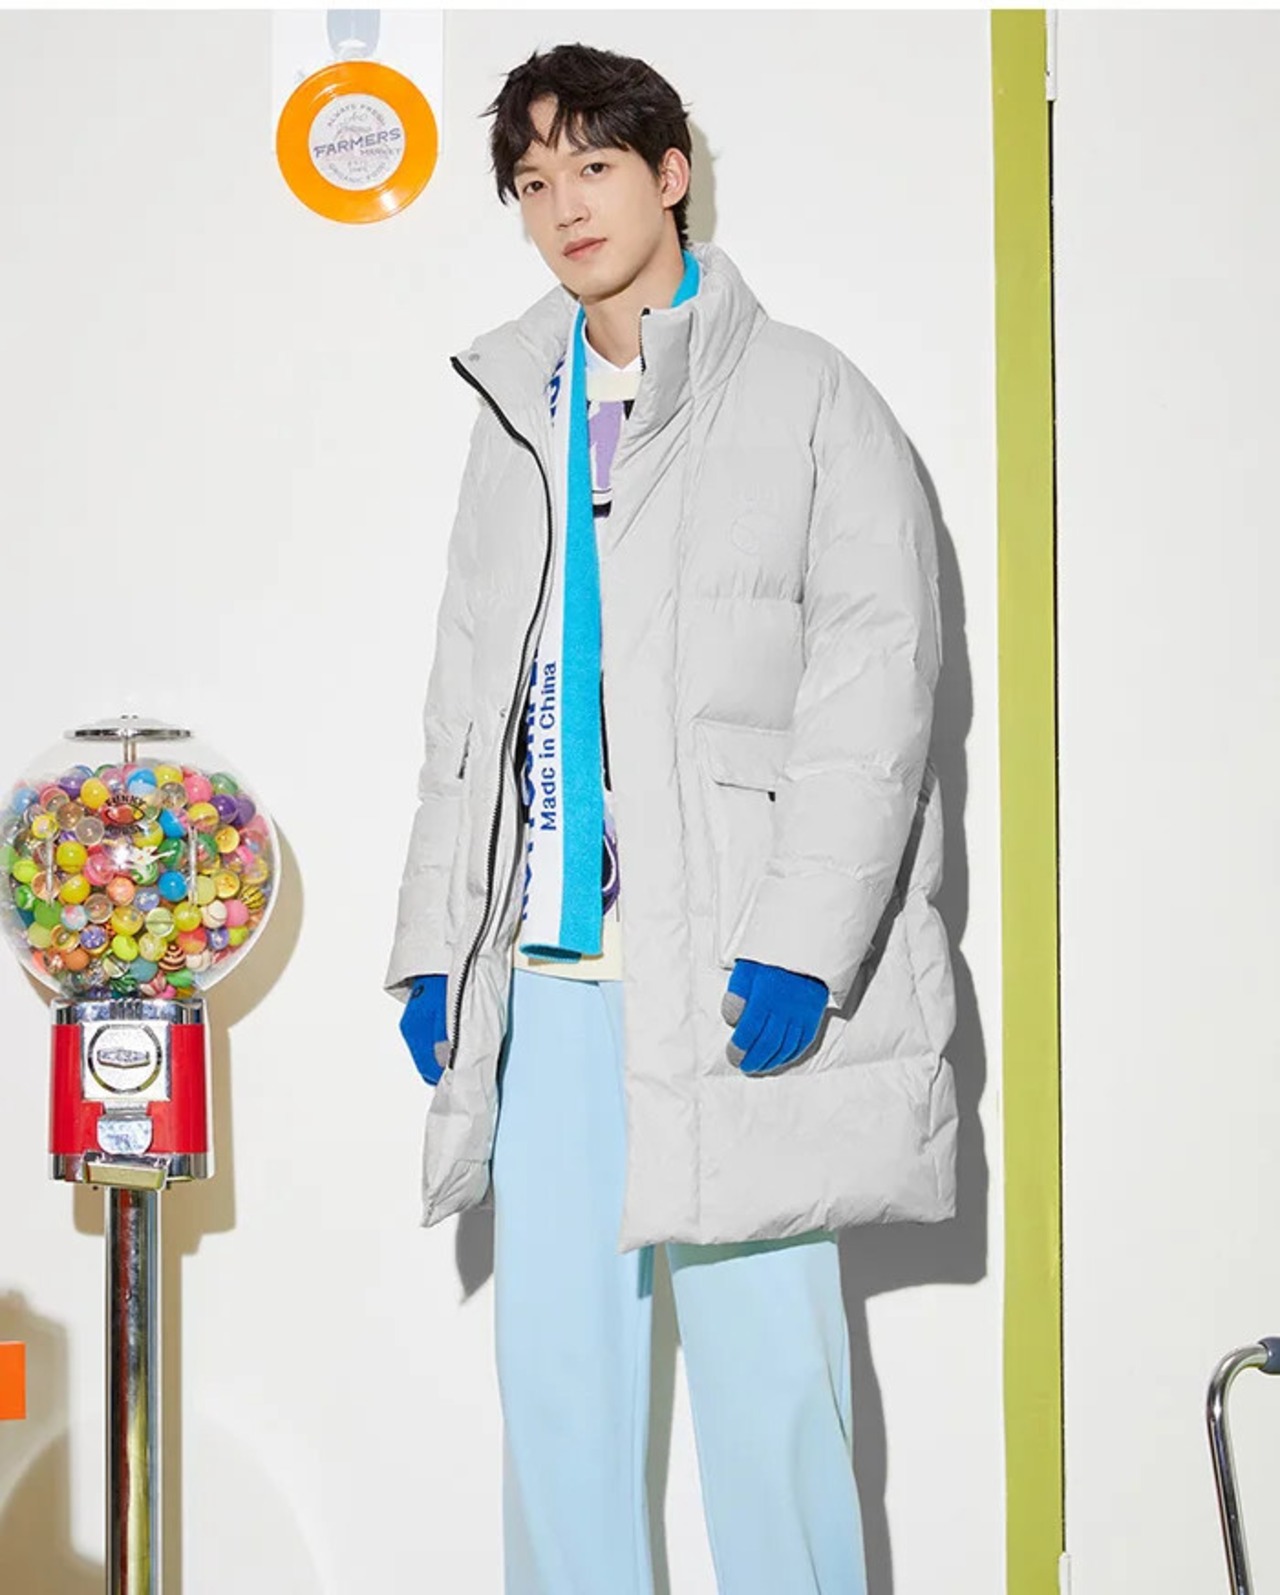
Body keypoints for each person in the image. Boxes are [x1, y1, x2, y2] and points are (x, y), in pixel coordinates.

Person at [386, 41, 958, 1595]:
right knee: (559, 1396)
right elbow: (468, 708)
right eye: (532, 181)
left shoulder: (811, 395)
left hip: (726, 968)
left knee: (774, 1393)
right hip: (554, 980)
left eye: (592, 166)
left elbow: (875, 691)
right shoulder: (518, 412)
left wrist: (806, 944)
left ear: (670, 173)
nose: (563, 205)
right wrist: (440, 945)